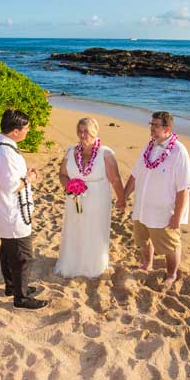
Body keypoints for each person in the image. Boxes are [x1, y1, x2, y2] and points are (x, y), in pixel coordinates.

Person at [120, 111, 190, 288]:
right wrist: (123, 196)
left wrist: (177, 216)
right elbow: (135, 175)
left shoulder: (179, 152)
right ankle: (147, 264)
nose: (152, 128)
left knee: (170, 245)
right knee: (143, 239)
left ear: (167, 129)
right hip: (142, 207)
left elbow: (184, 188)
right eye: (151, 124)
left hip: (163, 211)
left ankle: (171, 274)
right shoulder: (149, 146)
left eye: (156, 125)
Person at [0, 109, 47, 309]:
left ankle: (12, 286)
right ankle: (21, 297)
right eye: (26, 129)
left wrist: (23, 175)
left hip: (3, 208)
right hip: (10, 211)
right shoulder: (4, 152)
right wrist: (29, 179)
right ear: (15, 131)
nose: (28, 131)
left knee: (8, 249)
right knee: (23, 254)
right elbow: (11, 186)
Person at [55, 117, 125, 278]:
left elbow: (115, 179)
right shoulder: (71, 151)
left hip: (98, 200)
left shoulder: (105, 154)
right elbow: (62, 174)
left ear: (95, 132)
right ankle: (72, 264)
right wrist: (70, 188)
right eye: (79, 131)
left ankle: (93, 265)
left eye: (86, 131)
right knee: (75, 229)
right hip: (74, 200)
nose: (82, 135)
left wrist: (121, 200)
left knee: (95, 231)